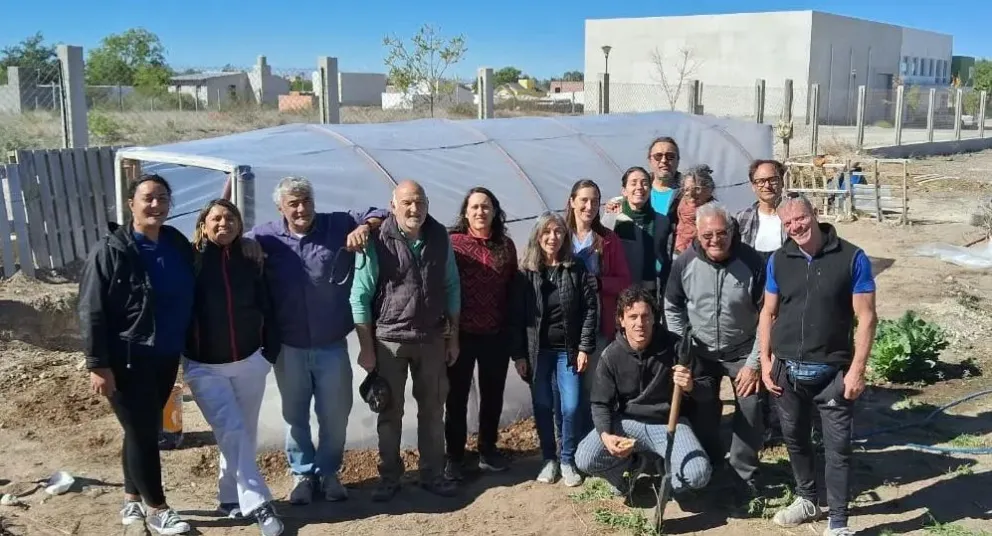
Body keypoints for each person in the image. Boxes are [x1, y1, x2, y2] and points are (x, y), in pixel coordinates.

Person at [248, 176, 386, 505]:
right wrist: (246, 246)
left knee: (335, 413)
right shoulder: (266, 236)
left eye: (306, 201)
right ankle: (302, 475)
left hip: (331, 344)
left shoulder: (335, 224)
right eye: (293, 203)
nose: (301, 208)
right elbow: (235, 242)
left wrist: (365, 226)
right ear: (280, 207)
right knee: (294, 414)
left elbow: (380, 210)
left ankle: (328, 472)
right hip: (290, 347)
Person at [79, 174, 195, 535]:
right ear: (131, 205)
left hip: (165, 356)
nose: (156, 205)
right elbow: (91, 309)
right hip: (127, 358)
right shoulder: (111, 250)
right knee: (145, 432)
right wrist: (98, 364)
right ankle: (158, 509)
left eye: (162, 198)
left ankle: (131, 502)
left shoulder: (176, 243)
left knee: (139, 431)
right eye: (148, 198)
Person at [759, 195, 878, 536]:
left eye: (801, 218)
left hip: (832, 373)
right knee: (795, 439)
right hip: (786, 372)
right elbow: (768, 312)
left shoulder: (851, 257)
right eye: (788, 223)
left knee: (837, 448)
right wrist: (766, 362)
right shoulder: (780, 260)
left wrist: (857, 370)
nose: (795, 226)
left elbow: (867, 318)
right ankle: (806, 499)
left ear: (815, 214)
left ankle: (838, 522)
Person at [351, 180, 461, 501]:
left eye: (420, 202)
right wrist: (367, 349)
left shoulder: (439, 237)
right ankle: (389, 477)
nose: (415, 209)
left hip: (430, 339)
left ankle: (433, 474)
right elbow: (360, 295)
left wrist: (453, 338)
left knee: (431, 410)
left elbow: (452, 286)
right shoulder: (378, 239)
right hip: (389, 341)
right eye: (408, 202)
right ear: (393, 205)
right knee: (389, 412)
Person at [182, 199, 283, 536]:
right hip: (204, 366)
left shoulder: (250, 259)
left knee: (242, 433)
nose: (223, 224)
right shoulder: (191, 260)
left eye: (230, 218)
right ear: (203, 224)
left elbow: (267, 303)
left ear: (240, 225)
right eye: (216, 218)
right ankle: (259, 503)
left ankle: (229, 498)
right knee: (233, 430)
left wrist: (269, 351)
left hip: (250, 361)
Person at [664, 202, 766, 511]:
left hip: (742, 349)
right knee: (703, 408)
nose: (715, 240)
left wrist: (754, 363)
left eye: (721, 233)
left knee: (750, 410)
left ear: (732, 231)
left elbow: (768, 316)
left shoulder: (752, 262)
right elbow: (672, 306)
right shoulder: (685, 263)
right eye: (707, 234)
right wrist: (683, 347)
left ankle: (743, 475)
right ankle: (710, 464)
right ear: (697, 232)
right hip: (702, 352)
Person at [575, 286, 712, 497]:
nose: (640, 324)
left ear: (654, 318)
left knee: (698, 475)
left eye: (646, 316)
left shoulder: (676, 348)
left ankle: (667, 474)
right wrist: (606, 436)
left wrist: (691, 385)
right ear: (621, 320)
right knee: (584, 458)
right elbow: (600, 404)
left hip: (669, 424)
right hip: (628, 424)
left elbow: (708, 390)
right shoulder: (611, 356)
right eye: (632, 317)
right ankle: (629, 468)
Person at [510, 212, 598, 488]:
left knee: (571, 406)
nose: (552, 237)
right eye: (547, 232)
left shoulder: (576, 268)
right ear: (538, 236)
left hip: (567, 352)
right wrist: (520, 355)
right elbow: (517, 318)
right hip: (539, 353)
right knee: (543, 406)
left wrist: (584, 347)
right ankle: (550, 459)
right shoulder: (527, 273)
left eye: (558, 232)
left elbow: (589, 309)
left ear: (565, 236)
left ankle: (568, 459)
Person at [444, 187, 519, 480]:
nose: (480, 212)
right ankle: (455, 457)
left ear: (494, 211)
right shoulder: (453, 244)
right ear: (465, 211)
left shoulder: (505, 245)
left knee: (492, 395)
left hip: (495, 333)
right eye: (474, 207)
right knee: (456, 397)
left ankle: (488, 449)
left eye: (486, 206)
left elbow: (513, 286)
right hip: (460, 334)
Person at [734, 159, 789, 446]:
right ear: (753, 185)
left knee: (784, 358)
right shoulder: (743, 219)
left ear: (782, 179)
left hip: (788, 299)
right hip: (754, 302)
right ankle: (762, 424)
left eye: (773, 179)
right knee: (760, 355)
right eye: (761, 181)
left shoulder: (794, 216)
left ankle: (783, 422)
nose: (767, 185)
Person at [565, 179, 631, 409]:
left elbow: (624, 281)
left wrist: (600, 283)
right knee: (568, 392)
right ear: (572, 202)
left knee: (593, 385)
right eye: (584, 200)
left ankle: (595, 436)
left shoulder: (608, 239)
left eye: (595, 201)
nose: (589, 206)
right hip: (563, 326)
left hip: (597, 325)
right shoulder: (560, 236)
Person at [601, 167, 672, 307]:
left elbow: (666, 257)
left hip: (652, 292)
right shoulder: (613, 220)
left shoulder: (662, 221)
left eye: (644, 183)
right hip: (621, 294)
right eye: (633, 183)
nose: (639, 187)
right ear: (624, 191)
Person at [672, 165, 717, 255]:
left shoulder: (716, 217)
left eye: (697, 189)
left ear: (709, 190)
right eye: (687, 189)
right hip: (677, 253)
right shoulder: (678, 206)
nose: (691, 194)